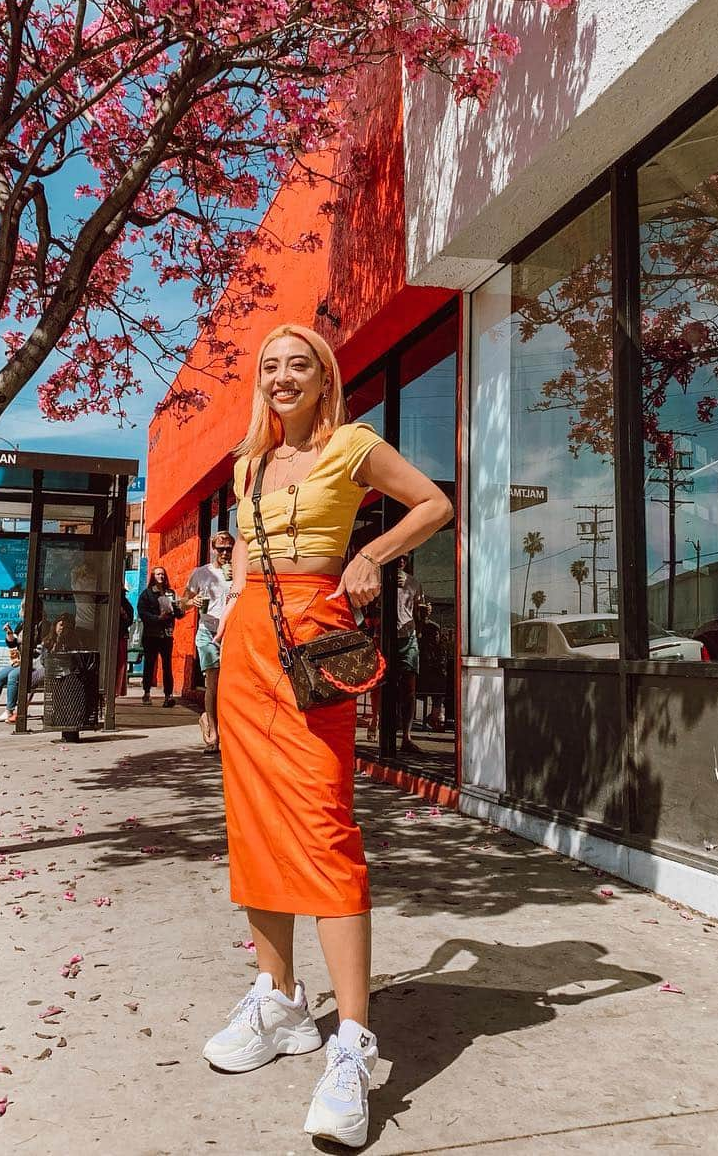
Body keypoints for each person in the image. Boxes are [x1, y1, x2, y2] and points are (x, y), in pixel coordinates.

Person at [202, 324, 451, 1148]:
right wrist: (212, 684)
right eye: (270, 365)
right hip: (247, 655)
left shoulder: (352, 445)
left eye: (297, 365)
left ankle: (352, 1045)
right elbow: (238, 583)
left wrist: (373, 553)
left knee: (323, 830)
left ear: (323, 379)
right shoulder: (246, 463)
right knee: (255, 827)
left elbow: (434, 503)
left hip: (316, 645)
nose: (281, 377)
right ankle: (278, 1000)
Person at [185, 532, 234, 753]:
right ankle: (214, 735)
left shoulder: (238, 572)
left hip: (232, 631)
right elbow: (182, 600)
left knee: (230, 684)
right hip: (207, 632)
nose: (225, 553)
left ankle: (208, 719)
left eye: (229, 548)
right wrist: (191, 601)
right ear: (213, 549)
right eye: (221, 548)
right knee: (213, 681)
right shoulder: (201, 573)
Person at [395, 553, 430, 753]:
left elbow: (419, 612)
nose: (401, 561)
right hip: (388, 637)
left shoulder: (414, 583)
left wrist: (424, 616)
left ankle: (406, 736)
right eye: (398, 557)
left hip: (408, 637)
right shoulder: (380, 581)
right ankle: (381, 725)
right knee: (385, 686)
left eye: (405, 559)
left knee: (409, 688)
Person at [136, 566, 184, 705]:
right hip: (151, 635)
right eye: (158, 574)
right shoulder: (147, 594)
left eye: (163, 574)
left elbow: (179, 614)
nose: (161, 577)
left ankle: (168, 696)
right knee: (149, 664)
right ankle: (146, 692)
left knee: (167, 666)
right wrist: (158, 618)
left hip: (167, 635)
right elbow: (142, 613)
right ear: (153, 576)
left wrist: (179, 608)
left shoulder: (171, 593)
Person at [116, 590, 134, 697]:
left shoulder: (126, 604)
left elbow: (129, 620)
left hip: (121, 635)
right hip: (112, 634)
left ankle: (118, 689)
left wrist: (122, 612)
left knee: (120, 662)